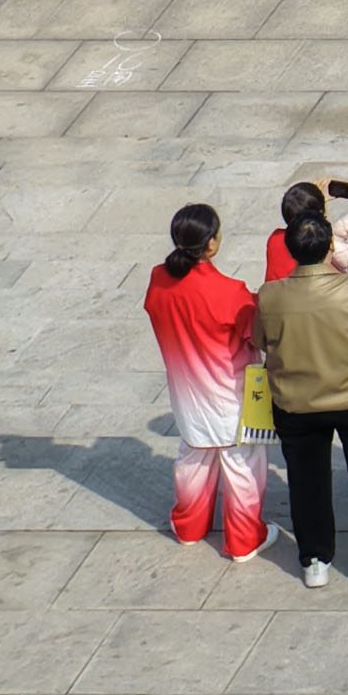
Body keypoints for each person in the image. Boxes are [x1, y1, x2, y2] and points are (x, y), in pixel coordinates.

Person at [253, 209, 348, 589]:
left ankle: (315, 559)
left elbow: (260, 340)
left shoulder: (271, 295)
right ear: (329, 248)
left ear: (291, 250)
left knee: (306, 482)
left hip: (296, 403)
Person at [143, 204, 273, 562]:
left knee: (193, 462)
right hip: (231, 398)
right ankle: (244, 541)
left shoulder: (158, 279)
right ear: (212, 243)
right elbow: (256, 334)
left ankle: (188, 527)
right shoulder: (230, 292)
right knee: (243, 468)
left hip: (186, 397)